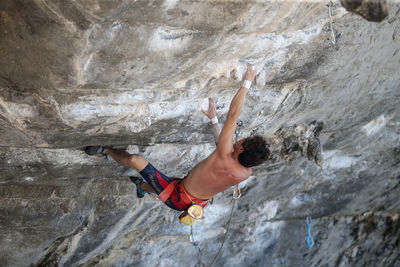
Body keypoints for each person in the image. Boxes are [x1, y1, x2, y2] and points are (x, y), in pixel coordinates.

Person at [85, 65, 270, 217]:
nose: (240, 139)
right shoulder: (245, 172)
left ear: (240, 150)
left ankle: (106, 149)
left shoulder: (225, 154)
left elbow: (232, 115)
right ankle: (140, 187)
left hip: (178, 197)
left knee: (135, 160)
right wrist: (213, 119)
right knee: (163, 183)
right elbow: (221, 148)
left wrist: (247, 82)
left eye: (242, 141)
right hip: (195, 202)